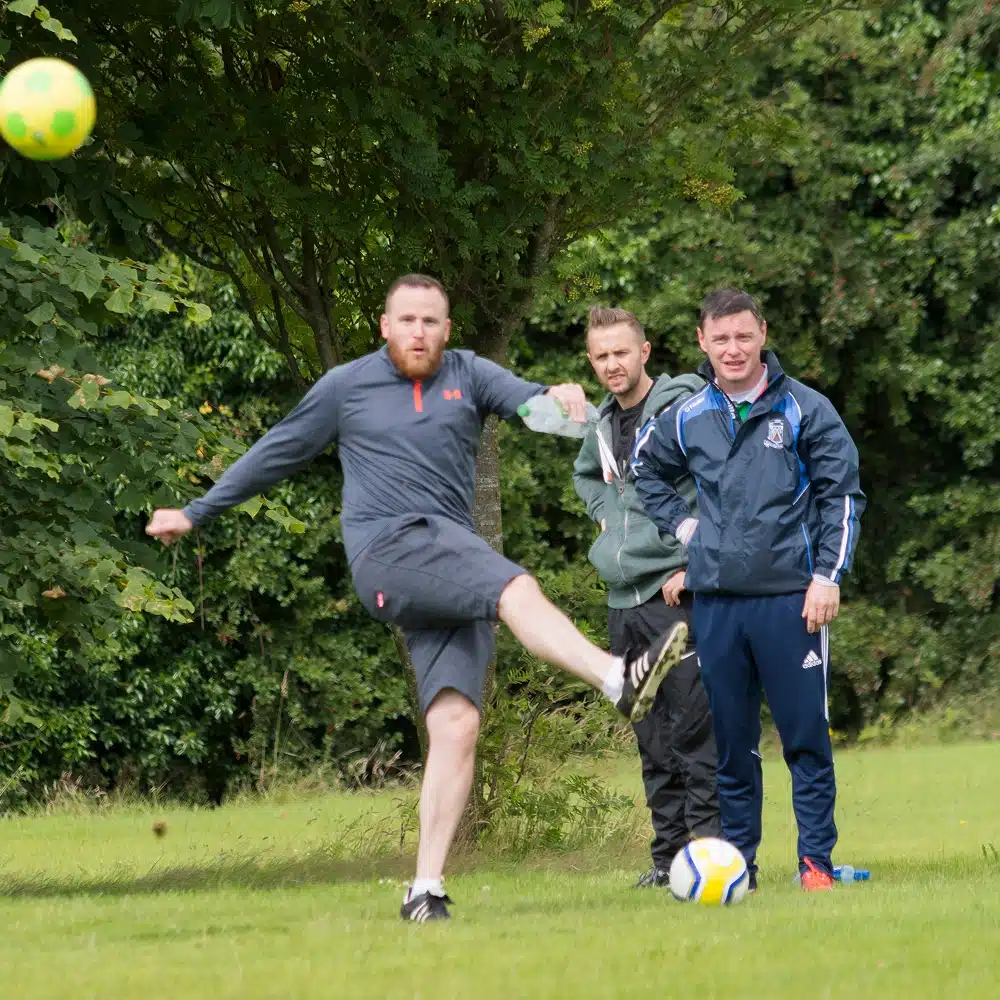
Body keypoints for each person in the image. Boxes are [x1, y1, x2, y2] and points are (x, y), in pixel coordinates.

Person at [146, 274, 687, 922]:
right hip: (390, 552)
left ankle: (424, 889)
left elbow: (534, 410)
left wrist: (564, 402)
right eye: (407, 320)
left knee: (456, 725)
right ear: (385, 326)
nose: (419, 332)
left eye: (431, 321)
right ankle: (614, 679)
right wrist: (196, 512)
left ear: (447, 330)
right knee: (515, 585)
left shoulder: (469, 373)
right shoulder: (347, 387)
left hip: (449, 562)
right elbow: (275, 454)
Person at [631, 287, 866, 892]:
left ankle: (815, 864)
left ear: (762, 333)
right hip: (717, 605)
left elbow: (841, 496)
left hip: (793, 600)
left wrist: (826, 578)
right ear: (702, 343)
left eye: (743, 336)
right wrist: (687, 531)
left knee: (805, 740)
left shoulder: (806, 409)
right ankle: (740, 870)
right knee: (732, 749)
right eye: (721, 338)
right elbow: (646, 471)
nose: (733, 349)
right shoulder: (688, 416)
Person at [572, 306, 721, 889]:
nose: (613, 364)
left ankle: (708, 859)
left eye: (622, 352)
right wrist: (607, 519)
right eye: (602, 355)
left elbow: (720, 479)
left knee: (692, 733)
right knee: (652, 740)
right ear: (593, 361)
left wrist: (694, 559)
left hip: (675, 592)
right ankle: (666, 863)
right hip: (622, 601)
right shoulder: (601, 425)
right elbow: (588, 478)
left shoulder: (684, 405)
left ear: (645, 352)